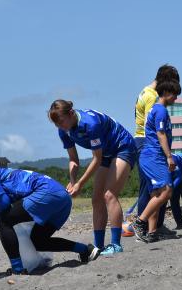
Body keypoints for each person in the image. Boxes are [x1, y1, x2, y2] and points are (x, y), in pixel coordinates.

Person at [0, 163, 98, 283]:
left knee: (3, 220)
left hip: (45, 192)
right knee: (39, 241)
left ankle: (17, 269)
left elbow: (3, 202)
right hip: (63, 199)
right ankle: (85, 250)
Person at [49, 100, 136, 256]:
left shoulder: (90, 124)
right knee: (96, 199)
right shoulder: (64, 130)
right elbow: (74, 160)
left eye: (61, 121)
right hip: (106, 153)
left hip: (123, 147)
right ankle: (99, 245)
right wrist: (73, 181)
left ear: (70, 114)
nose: (60, 126)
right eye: (56, 124)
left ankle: (116, 244)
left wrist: (80, 184)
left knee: (109, 195)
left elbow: (96, 159)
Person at [132, 79, 182, 243]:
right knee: (167, 190)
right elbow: (161, 134)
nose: (176, 99)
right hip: (154, 156)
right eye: (175, 95)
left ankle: (152, 232)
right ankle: (140, 222)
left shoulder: (155, 109)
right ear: (167, 93)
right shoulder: (160, 110)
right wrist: (169, 156)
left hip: (149, 156)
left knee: (156, 195)